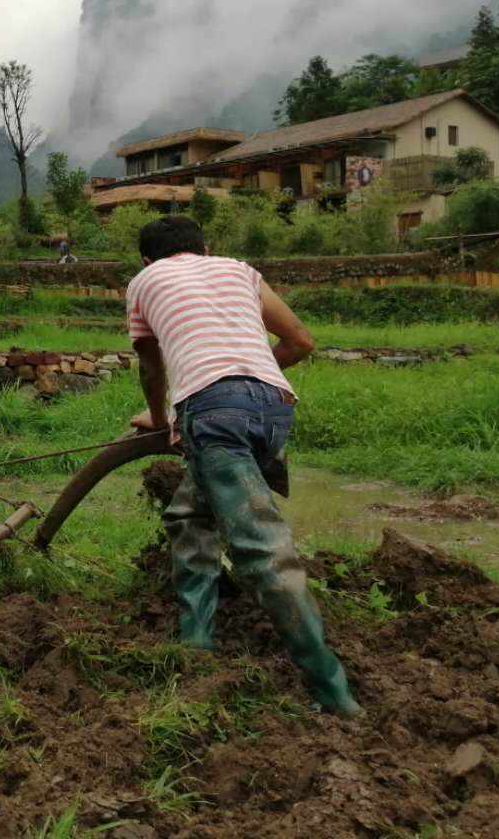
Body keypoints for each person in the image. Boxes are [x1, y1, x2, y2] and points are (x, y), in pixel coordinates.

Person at [125, 215, 360, 717]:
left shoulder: (143, 283)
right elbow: (300, 341)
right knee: (190, 513)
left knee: (262, 549)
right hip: (275, 407)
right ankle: (197, 640)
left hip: (213, 411)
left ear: (147, 260)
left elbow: (150, 364)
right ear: (205, 248)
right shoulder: (239, 270)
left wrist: (163, 414)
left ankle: (333, 692)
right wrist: (248, 381)